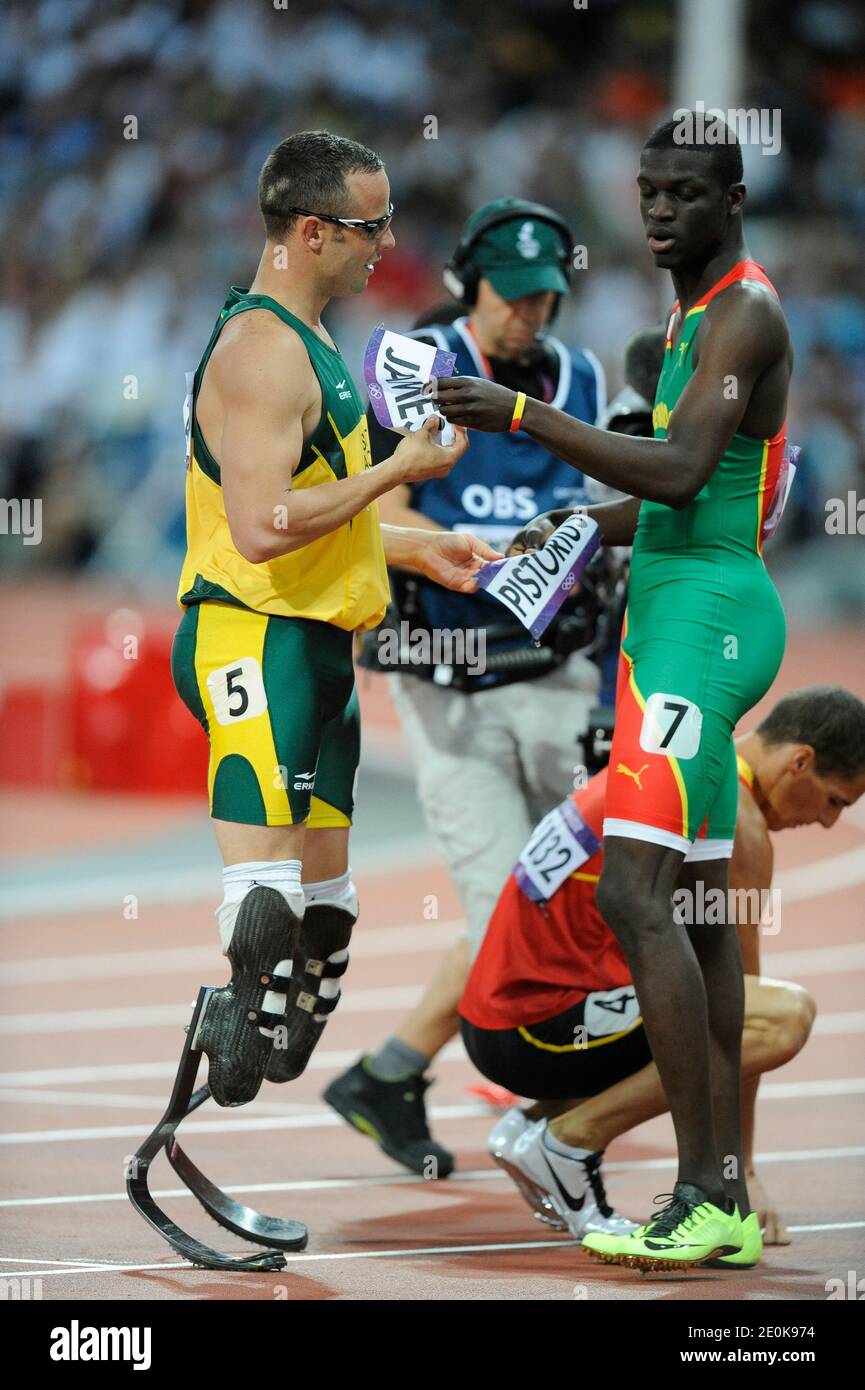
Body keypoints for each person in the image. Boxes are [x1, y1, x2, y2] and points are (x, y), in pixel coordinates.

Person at [433, 115, 797, 1267]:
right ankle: (722, 1196)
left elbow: (687, 471)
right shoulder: (689, 320)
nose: (655, 211)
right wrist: (583, 521)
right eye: (646, 190)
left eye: (682, 194)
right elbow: (680, 493)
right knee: (691, 906)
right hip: (674, 614)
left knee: (637, 895)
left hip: (704, 623)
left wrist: (529, 419)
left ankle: (698, 1192)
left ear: (729, 203)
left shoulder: (744, 312)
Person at [169, 129, 499, 1107]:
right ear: (312, 231)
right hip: (251, 630)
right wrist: (398, 473)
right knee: (264, 892)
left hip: (318, 639)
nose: (387, 242)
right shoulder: (266, 351)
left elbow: (322, 508)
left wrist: (415, 543)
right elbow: (263, 528)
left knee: (325, 908)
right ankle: (224, 1032)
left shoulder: (316, 344)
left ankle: (264, 1006)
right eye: (370, 224)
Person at [323, 199, 614, 1174]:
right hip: (446, 682)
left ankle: (390, 1071)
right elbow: (380, 510)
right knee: (508, 916)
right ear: (468, 284)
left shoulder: (578, 375)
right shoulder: (418, 367)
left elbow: (593, 508)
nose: (532, 311)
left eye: (547, 295)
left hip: (553, 677)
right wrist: (449, 551)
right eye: (514, 294)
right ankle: (553, 1125)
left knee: (569, 902)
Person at [461, 685, 865, 1266]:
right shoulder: (739, 822)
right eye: (834, 801)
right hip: (539, 1029)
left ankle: (535, 1124)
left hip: (506, 1020)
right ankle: (567, 1141)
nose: (828, 823)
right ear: (799, 762)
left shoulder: (682, 768)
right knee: (781, 1017)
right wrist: (737, 1175)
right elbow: (736, 1020)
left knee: (685, 993)